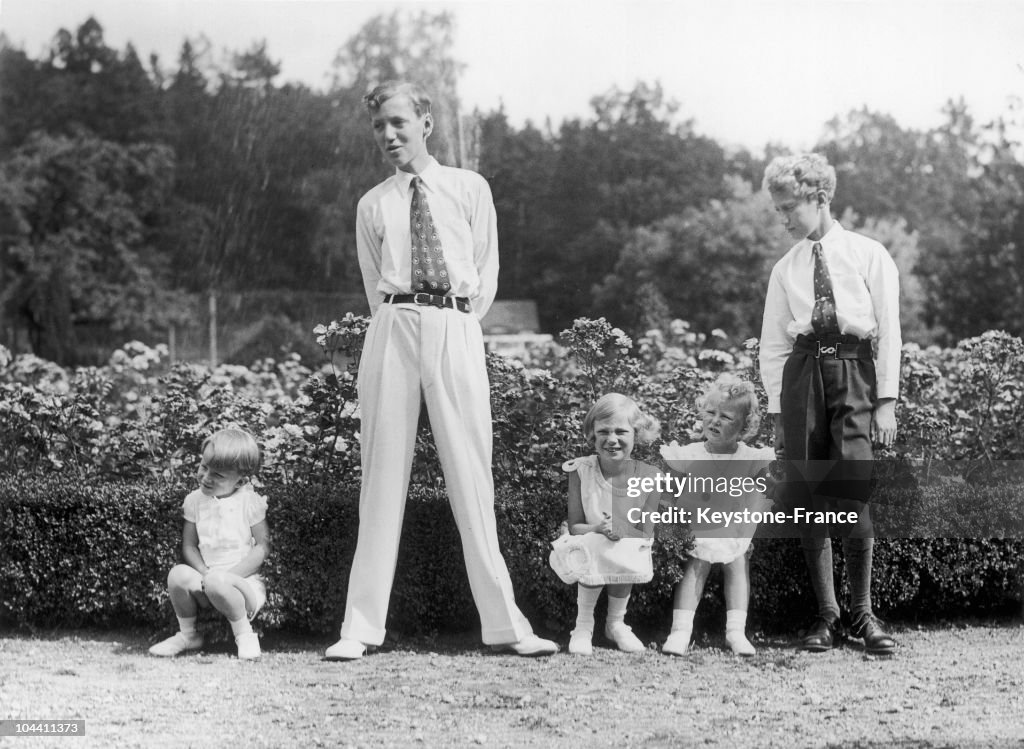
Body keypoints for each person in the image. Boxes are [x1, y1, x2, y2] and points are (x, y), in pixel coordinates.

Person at [325, 81, 556, 660]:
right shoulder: (371, 203)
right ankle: (359, 629)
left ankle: (506, 625)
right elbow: (372, 281)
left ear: (426, 121)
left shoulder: (468, 187)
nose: (389, 135)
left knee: (472, 474)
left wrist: (454, 324)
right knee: (381, 476)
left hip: (455, 326)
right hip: (393, 328)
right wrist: (402, 325)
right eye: (379, 127)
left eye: (399, 122)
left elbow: (485, 267)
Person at [759, 152, 900, 655]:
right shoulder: (786, 269)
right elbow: (773, 345)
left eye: (788, 207)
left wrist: (886, 401)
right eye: (777, 210)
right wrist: (779, 414)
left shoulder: (867, 254)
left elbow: (889, 330)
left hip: (854, 372)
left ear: (819, 197)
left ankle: (863, 613)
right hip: (802, 377)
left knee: (852, 487)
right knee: (811, 493)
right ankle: (827, 615)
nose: (783, 218)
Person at [659, 375, 774, 656]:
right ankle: (680, 632)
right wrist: (668, 519)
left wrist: (750, 526)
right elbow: (667, 491)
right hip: (695, 528)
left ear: (744, 426)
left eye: (726, 417)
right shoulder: (690, 454)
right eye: (710, 413)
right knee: (695, 567)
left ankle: (735, 632)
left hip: (733, 529)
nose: (715, 421)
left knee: (737, 563)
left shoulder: (749, 458)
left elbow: (765, 493)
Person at [550, 393, 661, 655]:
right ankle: (583, 625)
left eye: (621, 431)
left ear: (636, 434)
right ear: (592, 435)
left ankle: (616, 623)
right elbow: (576, 526)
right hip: (587, 545)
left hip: (628, 543)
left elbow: (647, 528)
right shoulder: (581, 471)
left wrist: (624, 528)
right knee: (596, 542)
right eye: (603, 432)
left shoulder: (648, 476)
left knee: (627, 544)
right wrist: (599, 529)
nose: (612, 439)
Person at [149, 428, 270, 660]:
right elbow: (189, 546)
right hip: (207, 580)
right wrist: (205, 573)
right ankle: (188, 635)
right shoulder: (194, 501)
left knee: (217, 580)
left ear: (240, 480)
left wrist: (228, 577)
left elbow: (262, 546)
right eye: (204, 467)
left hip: (243, 584)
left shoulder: (249, 502)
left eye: (218, 475)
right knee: (178, 575)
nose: (206, 477)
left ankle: (245, 635)